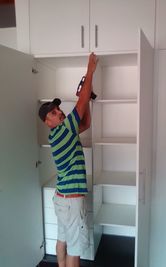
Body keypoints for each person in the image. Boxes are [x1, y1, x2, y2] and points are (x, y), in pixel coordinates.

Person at [38, 53, 98, 267]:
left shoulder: (62, 133)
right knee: (75, 249)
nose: (59, 113)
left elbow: (86, 123)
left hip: (62, 199)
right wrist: (89, 71)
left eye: (58, 109)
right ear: (48, 122)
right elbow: (79, 108)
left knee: (62, 240)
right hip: (71, 201)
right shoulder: (62, 131)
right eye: (54, 113)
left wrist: (87, 96)